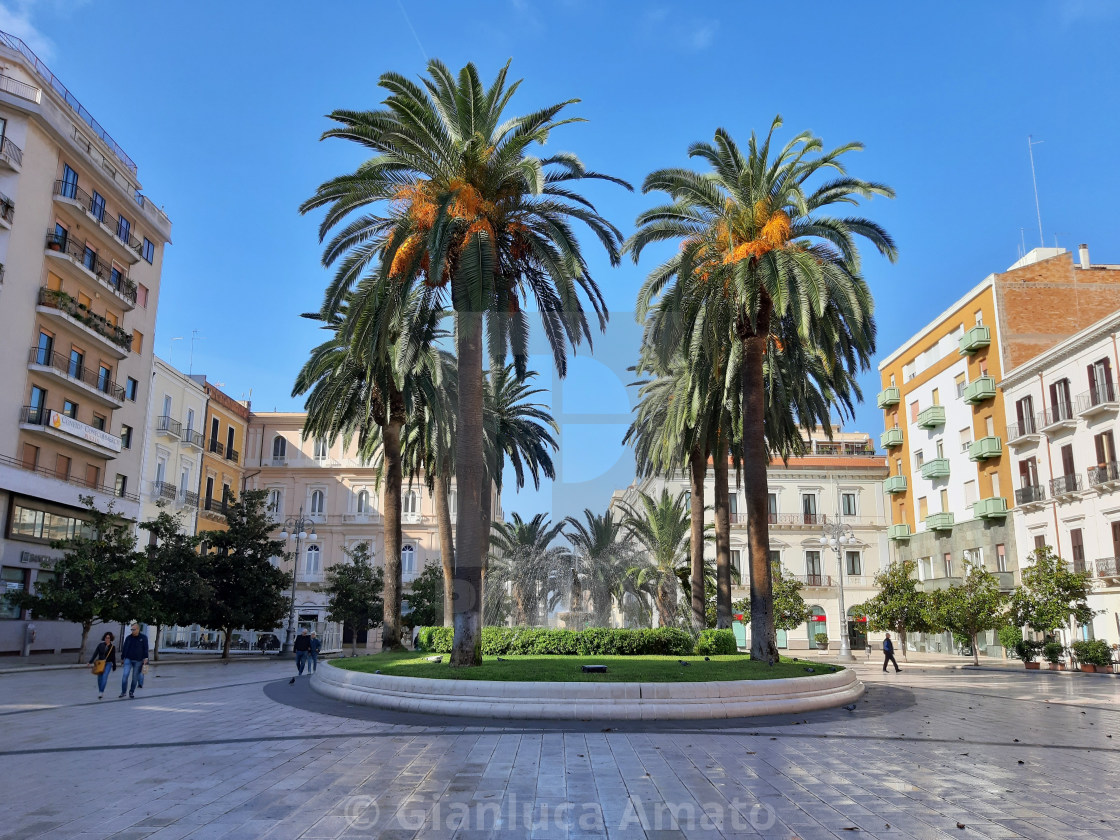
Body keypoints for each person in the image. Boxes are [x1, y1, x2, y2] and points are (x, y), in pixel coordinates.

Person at [119, 621, 149, 699]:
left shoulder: (143, 638)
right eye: (132, 629)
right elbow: (125, 648)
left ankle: (131, 691)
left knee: (135, 677)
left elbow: (146, 649)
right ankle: (123, 692)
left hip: (138, 660)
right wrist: (122, 658)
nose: (133, 631)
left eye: (134, 629)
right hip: (128, 659)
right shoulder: (128, 638)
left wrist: (146, 658)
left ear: (138, 629)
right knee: (125, 675)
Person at [88, 631, 117, 699]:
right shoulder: (100, 645)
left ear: (111, 639)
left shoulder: (112, 647)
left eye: (108, 638)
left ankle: (101, 692)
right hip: (100, 663)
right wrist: (90, 662)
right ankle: (100, 691)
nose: (107, 639)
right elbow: (95, 654)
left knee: (104, 676)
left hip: (108, 663)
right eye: (106, 638)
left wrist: (114, 665)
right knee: (99, 678)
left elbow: (113, 657)